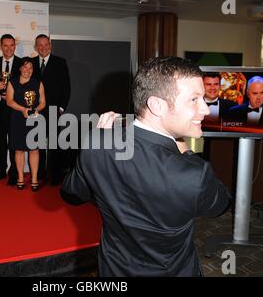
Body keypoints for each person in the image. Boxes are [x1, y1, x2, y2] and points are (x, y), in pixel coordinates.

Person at [61, 56, 231, 276]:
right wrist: (185, 150)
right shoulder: (194, 173)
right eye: (194, 99)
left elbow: (72, 195)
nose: (205, 109)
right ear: (156, 105)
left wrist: (100, 142)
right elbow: (222, 205)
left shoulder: (97, 145)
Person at [32, 34, 70, 185]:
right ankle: (40, 174)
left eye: (45, 44)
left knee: (54, 144)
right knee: (39, 144)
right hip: (36, 111)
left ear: (50, 45)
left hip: (54, 110)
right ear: (36, 47)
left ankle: (55, 176)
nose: (43, 47)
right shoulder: (30, 63)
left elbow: (66, 87)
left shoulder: (60, 62)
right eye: (39, 45)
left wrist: (61, 108)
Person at [6, 57, 46, 191]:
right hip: (18, 118)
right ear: (20, 68)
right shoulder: (12, 82)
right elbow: (9, 101)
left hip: (34, 119)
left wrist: (36, 110)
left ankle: (34, 178)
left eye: (30, 68)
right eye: (25, 67)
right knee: (19, 150)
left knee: (34, 150)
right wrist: (23, 109)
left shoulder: (38, 83)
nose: (27, 70)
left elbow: (43, 102)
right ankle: (20, 177)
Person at [0, 34, 22, 185]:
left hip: (15, 111)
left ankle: (14, 173)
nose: (9, 48)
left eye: (11, 45)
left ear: (15, 46)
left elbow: (26, 87)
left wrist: (10, 96)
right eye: (5, 45)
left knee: (14, 143)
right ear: (1, 46)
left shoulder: (23, 64)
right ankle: (0, 171)